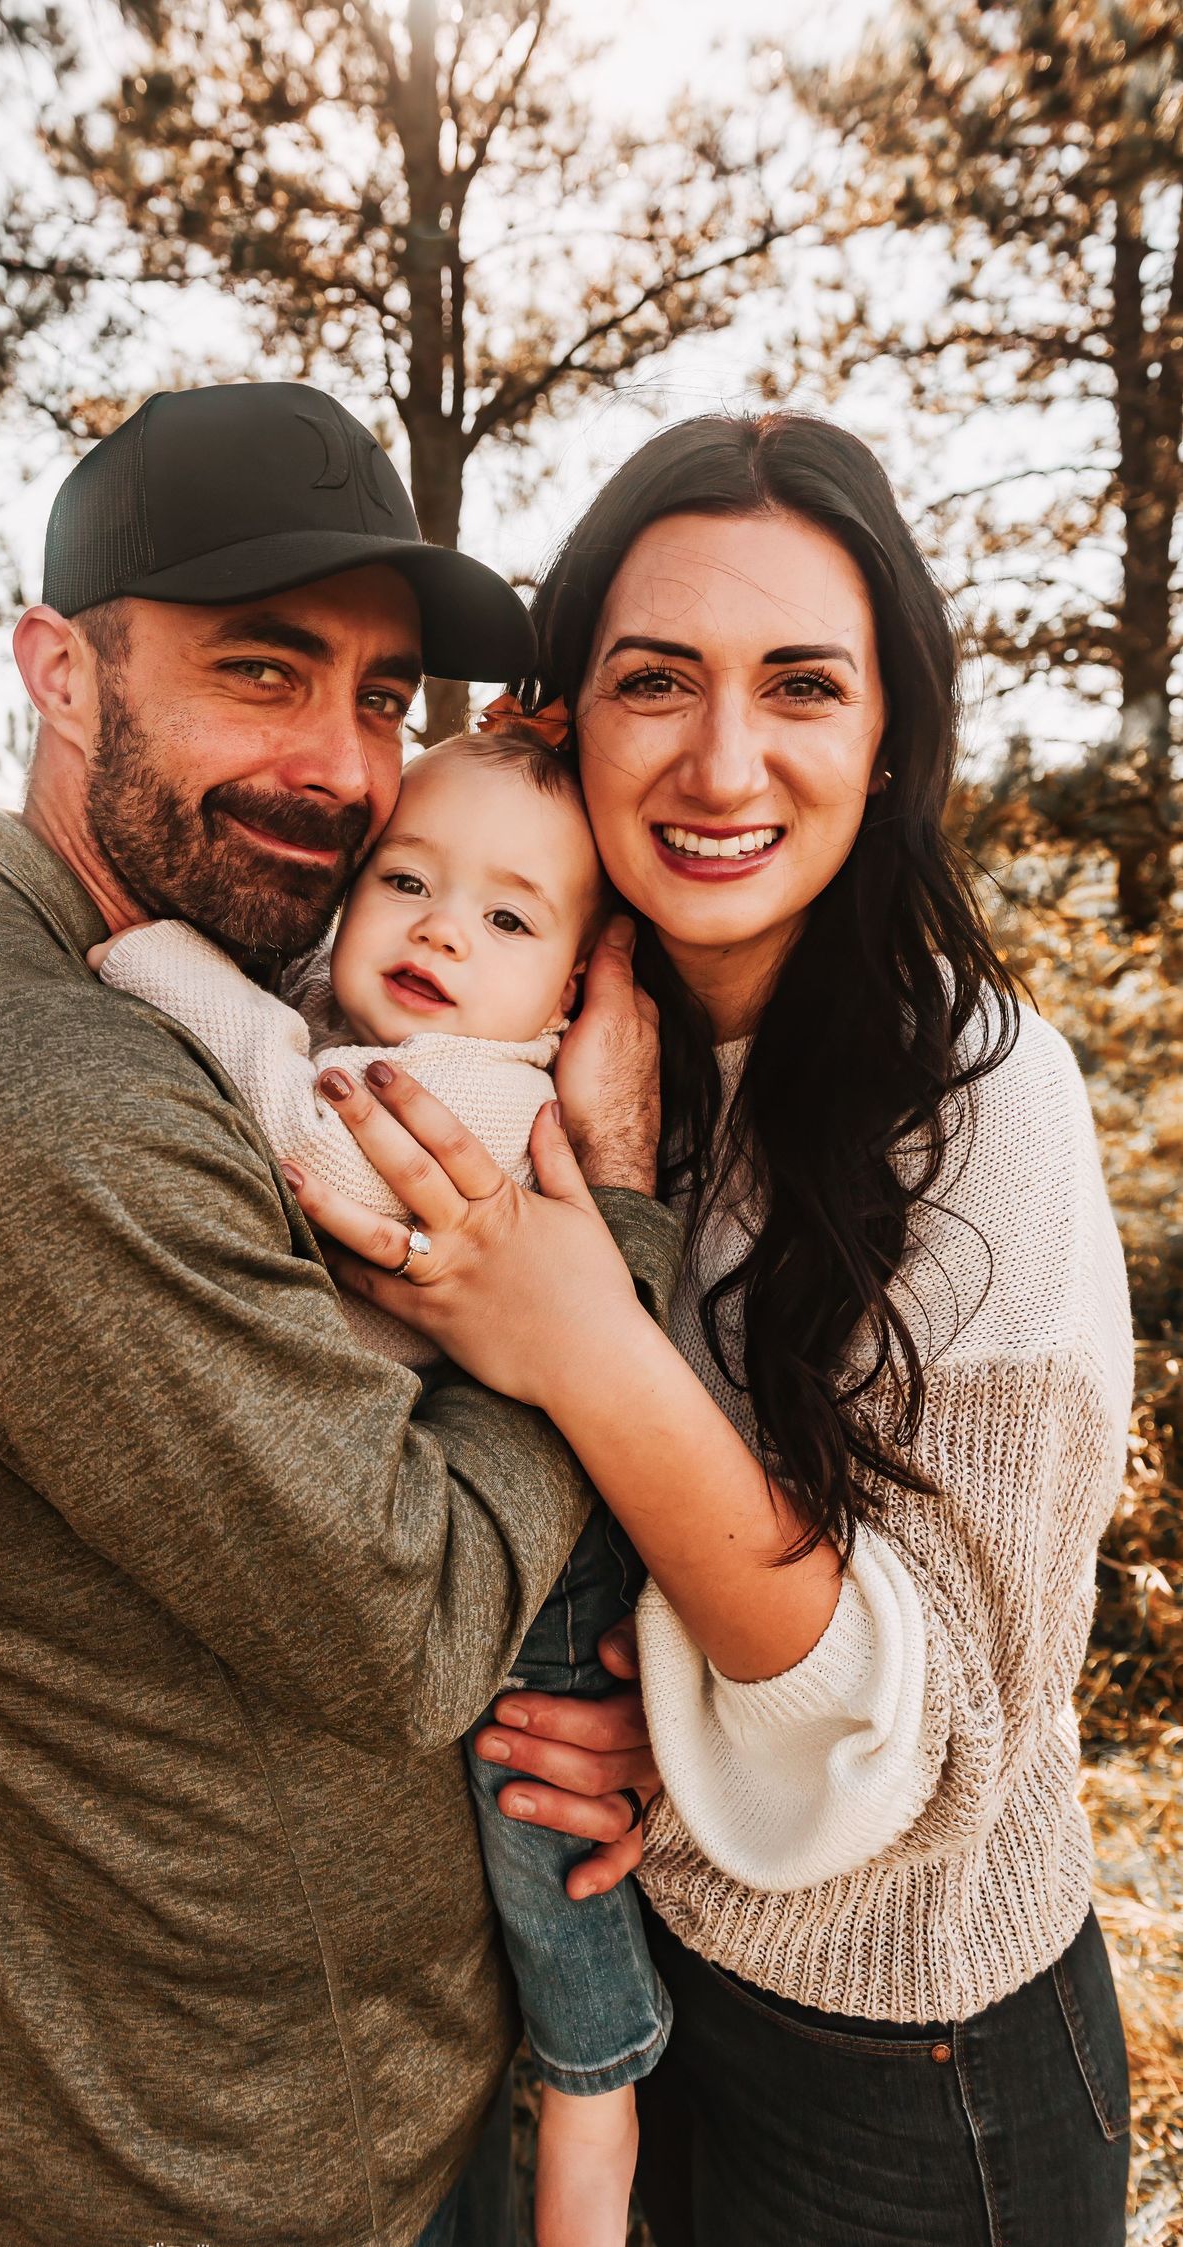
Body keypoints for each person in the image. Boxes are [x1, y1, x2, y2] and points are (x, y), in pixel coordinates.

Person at [0, 381, 667, 2247]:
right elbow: (418, 1621)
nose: (345, 772)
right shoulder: (34, 1096)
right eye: (262, 671)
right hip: (264, 2177)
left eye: (382, 697)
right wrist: (616, 1239)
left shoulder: (185, 984)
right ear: (62, 673)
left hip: (370, 2093)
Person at [290, 411, 1136, 2246]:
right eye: (656, 680)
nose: (723, 760)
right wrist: (649, 1733)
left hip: (914, 2064)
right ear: (562, 718)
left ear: (889, 732)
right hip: (629, 1985)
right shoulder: (539, 1033)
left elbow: (937, 1734)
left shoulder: (981, 1102)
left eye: (803, 685)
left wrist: (581, 1328)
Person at [93, 727, 671, 2246]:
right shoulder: (375, 1020)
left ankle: (595, 2130)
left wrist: (159, 960)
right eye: (408, 881)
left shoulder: (470, 1091)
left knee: (550, 1866)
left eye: (507, 916)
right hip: (472, 1498)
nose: (442, 930)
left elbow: (322, 1151)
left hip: (547, 1573)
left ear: (570, 998)